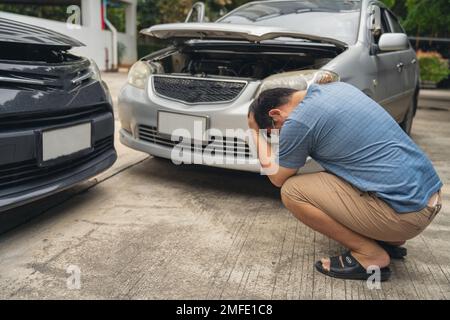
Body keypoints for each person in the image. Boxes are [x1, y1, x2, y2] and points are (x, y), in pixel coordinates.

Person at [247, 82, 443, 281]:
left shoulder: (298, 121)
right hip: (427, 197)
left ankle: (370, 254)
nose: (280, 137)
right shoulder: (340, 88)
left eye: (273, 133)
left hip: (405, 216)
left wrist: (254, 132)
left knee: (292, 191)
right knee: (334, 173)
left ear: (275, 115)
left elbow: (277, 177)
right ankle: (388, 239)